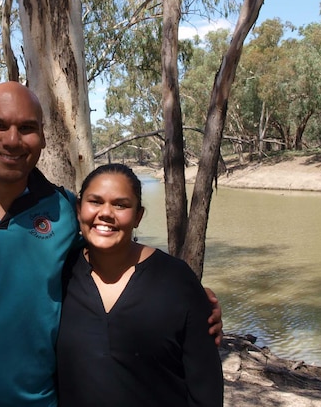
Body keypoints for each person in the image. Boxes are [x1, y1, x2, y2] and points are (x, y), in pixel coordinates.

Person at [0, 82, 222, 407]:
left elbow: (111, 259)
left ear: (43, 137)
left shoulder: (62, 210)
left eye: (27, 128)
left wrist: (185, 298)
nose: (12, 140)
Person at [57, 164, 224, 407]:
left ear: (138, 216)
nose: (106, 213)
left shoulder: (176, 281)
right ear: (78, 209)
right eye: (95, 201)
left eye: (120, 205)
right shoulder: (60, 275)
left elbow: (205, 387)